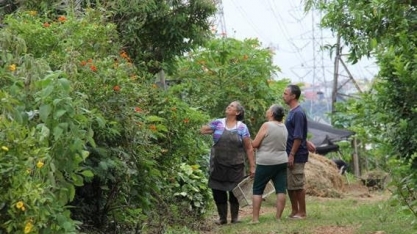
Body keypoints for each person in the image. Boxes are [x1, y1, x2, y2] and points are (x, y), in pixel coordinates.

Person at [200, 101, 256, 225]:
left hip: (236, 166)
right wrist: (193, 120)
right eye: (229, 105)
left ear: (237, 112)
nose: (228, 106)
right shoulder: (217, 123)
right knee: (217, 191)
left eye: (232, 106)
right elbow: (201, 130)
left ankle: (235, 218)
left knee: (235, 192)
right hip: (218, 164)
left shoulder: (242, 127)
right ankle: (222, 218)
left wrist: (252, 166)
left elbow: (248, 148)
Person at [251, 104, 288, 223]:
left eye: (268, 109)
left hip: (266, 162)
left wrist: (248, 141)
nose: (267, 110)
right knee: (281, 189)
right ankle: (278, 218)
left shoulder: (266, 125)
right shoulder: (283, 126)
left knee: (257, 189)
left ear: (272, 114)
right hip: (282, 161)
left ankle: (255, 219)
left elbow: (255, 144)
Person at [283, 84, 316, 219]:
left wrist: (292, 154)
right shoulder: (291, 112)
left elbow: (297, 136)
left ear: (293, 96)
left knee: (297, 183)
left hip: (296, 154)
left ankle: (302, 212)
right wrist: (306, 142)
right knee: (290, 184)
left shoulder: (298, 113)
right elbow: (297, 133)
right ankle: (294, 210)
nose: (283, 96)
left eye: (285, 93)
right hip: (290, 151)